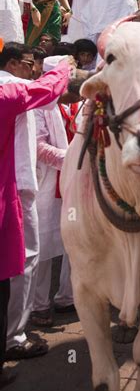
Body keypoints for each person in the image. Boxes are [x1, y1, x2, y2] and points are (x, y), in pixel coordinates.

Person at [0, 46, 72, 372]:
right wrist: (65, 69)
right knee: (23, 260)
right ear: (12, 63)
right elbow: (48, 89)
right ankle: (13, 339)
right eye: (30, 65)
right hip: (12, 189)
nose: (33, 71)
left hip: (16, 185)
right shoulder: (10, 89)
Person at [30, 57, 75, 327]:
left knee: (75, 241)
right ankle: (39, 305)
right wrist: (74, 160)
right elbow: (39, 147)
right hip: (48, 182)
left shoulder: (86, 102)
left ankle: (67, 297)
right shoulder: (38, 104)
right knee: (43, 244)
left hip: (79, 182)